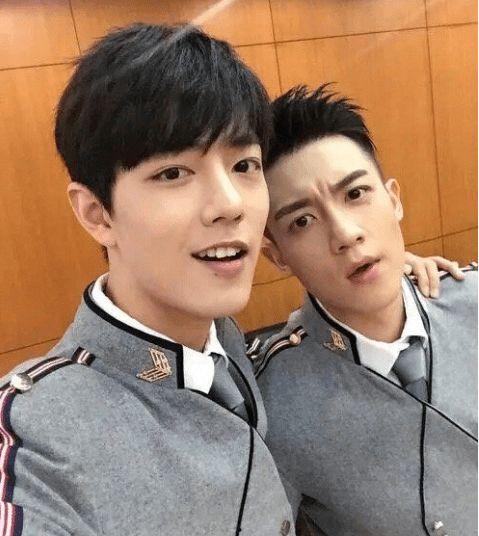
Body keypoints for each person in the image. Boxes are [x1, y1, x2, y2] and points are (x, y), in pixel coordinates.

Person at [0, 23, 295, 535]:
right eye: (173, 173)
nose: (231, 204)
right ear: (97, 214)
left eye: (245, 164)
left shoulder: (219, 336)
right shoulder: (34, 440)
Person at [255, 85, 477, 536]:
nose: (345, 234)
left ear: (393, 199)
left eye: (355, 193)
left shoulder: (471, 299)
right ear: (276, 255)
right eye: (302, 221)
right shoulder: (273, 400)